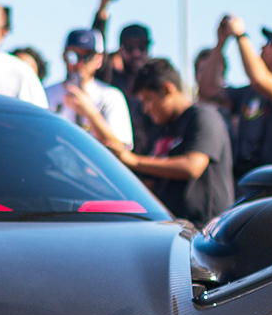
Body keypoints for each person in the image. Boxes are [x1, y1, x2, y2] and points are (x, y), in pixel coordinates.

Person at [79, 59, 232, 224]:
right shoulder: (162, 128)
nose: (145, 109)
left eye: (147, 100)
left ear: (167, 89)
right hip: (172, 228)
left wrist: (133, 160)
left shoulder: (203, 117)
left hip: (206, 232)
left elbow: (192, 166)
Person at [218, 19, 272, 178]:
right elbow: (209, 89)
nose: (263, 47)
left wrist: (241, 36)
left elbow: (259, 80)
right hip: (246, 180)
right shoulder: (248, 92)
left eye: (271, 43)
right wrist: (220, 44)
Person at [47, 29, 133, 147]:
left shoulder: (110, 96)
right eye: (73, 56)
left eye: (87, 57)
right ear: (64, 56)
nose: (80, 63)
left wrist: (89, 112)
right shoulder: (46, 94)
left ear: (99, 60)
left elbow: (121, 149)